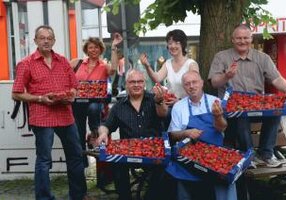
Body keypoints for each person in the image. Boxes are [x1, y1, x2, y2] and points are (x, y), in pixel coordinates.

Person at [12, 25, 87, 200]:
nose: (46, 40)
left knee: (76, 156)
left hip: (65, 115)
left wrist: (72, 96)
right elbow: (16, 93)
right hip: (42, 117)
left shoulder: (62, 62)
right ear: (35, 41)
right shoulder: (26, 64)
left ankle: (78, 195)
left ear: (54, 40)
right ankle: (44, 197)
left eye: (49, 38)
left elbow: (74, 86)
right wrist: (40, 99)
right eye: (42, 37)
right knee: (44, 161)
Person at [208, 24, 286, 167]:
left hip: (257, 105)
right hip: (232, 109)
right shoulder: (222, 57)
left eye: (245, 38)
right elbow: (214, 82)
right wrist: (227, 76)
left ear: (251, 38)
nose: (242, 41)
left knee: (276, 111)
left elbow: (276, 78)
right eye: (238, 38)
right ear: (232, 39)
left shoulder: (262, 58)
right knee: (241, 114)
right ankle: (248, 155)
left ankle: (266, 154)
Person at [92, 68, 170, 200]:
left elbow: (163, 113)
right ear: (126, 84)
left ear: (144, 83)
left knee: (163, 168)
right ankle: (125, 196)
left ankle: (150, 196)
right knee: (117, 164)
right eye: (132, 82)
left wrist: (159, 101)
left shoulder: (153, 99)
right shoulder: (119, 106)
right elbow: (106, 125)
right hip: (128, 152)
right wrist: (103, 134)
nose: (136, 85)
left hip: (153, 150)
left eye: (140, 81)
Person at [166, 70, 237, 200]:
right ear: (184, 87)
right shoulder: (178, 107)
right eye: (187, 84)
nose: (191, 86)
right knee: (180, 175)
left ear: (202, 83)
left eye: (194, 82)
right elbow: (172, 135)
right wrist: (186, 133)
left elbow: (222, 127)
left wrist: (217, 116)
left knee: (226, 176)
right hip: (190, 156)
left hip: (215, 154)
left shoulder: (215, 101)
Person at [70, 33, 123, 167]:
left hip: (96, 101)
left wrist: (114, 47)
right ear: (86, 49)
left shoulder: (103, 65)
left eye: (96, 48)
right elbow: (64, 74)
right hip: (78, 102)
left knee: (94, 108)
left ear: (100, 50)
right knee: (78, 131)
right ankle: (81, 163)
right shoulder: (77, 63)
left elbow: (113, 70)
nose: (93, 50)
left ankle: (94, 133)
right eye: (90, 47)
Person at [139, 29, 199, 128]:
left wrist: (180, 101)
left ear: (183, 45)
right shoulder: (168, 63)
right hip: (170, 107)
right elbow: (157, 78)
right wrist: (147, 65)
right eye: (170, 43)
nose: (173, 46)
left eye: (177, 43)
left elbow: (196, 89)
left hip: (187, 108)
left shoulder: (191, 64)